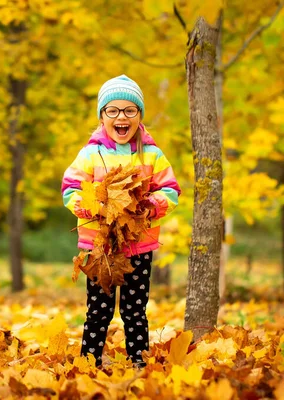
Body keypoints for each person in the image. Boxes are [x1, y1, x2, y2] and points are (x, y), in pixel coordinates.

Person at [61, 75, 181, 367]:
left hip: (137, 245)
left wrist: (151, 206)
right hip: (99, 246)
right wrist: (87, 208)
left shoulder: (152, 155)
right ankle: (89, 361)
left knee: (135, 308)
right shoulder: (91, 154)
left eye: (129, 110)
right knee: (98, 309)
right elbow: (70, 188)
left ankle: (139, 360)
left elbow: (170, 190)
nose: (121, 117)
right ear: (102, 116)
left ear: (139, 115)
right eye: (112, 111)